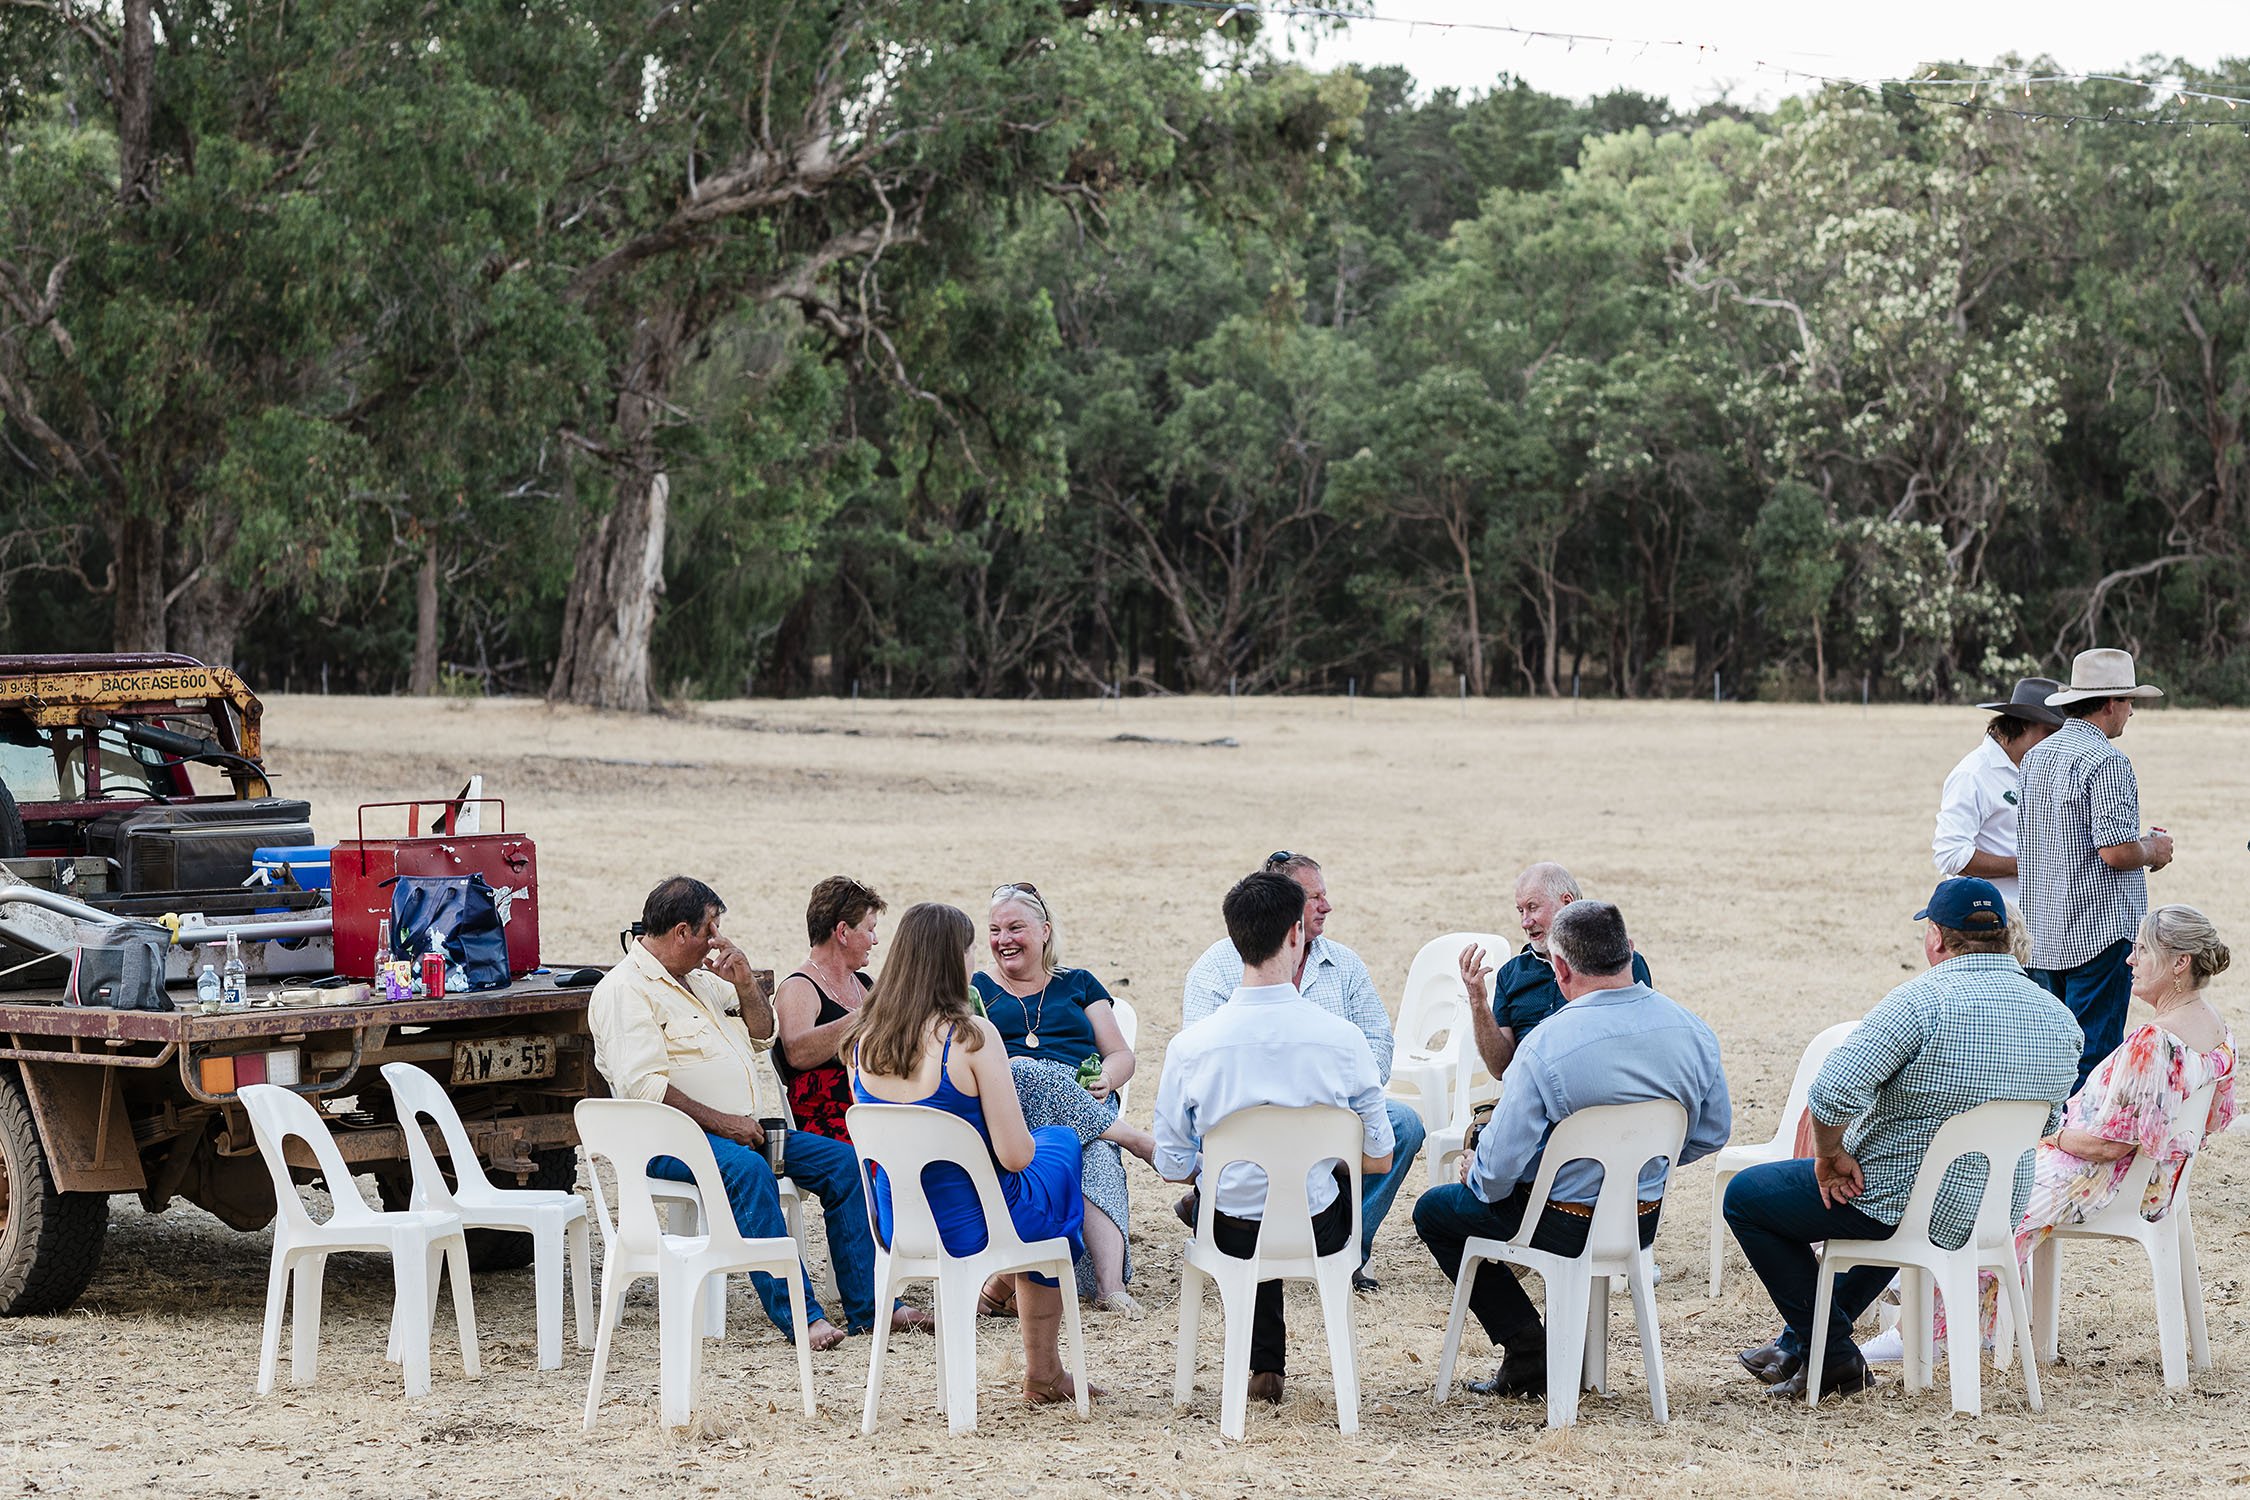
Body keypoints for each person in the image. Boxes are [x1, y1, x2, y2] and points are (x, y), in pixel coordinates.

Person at [1724, 877, 2081, 1400]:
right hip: (1995, 1207)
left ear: (1936, 937)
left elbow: (1829, 1095)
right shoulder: (2058, 1016)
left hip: (1903, 1200)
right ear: (2005, 935)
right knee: (1888, 1202)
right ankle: (1803, 1347)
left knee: (1747, 1198)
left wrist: (1829, 1155)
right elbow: (2047, 1126)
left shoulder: (1919, 1001)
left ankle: (1835, 1355)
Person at [587, 875, 928, 1352]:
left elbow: (763, 1034)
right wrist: (724, 1122)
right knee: (749, 1171)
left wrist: (746, 984)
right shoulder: (624, 990)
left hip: (740, 1132)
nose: (717, 941)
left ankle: (871, 1308)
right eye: (711, 929)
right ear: (682, 932)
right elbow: (647, 1089)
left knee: (842, 1165)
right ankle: (800, 1316)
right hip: (668, 1142)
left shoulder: (701, 981)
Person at [1414, 900, 1729, 1397]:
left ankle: (1526, 1346)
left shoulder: (1545, 1045)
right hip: (1640, 1216)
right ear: (1629, 951)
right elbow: (1713, 1132)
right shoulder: (1694, 1031)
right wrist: (1642, 1162)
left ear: (1559, 968)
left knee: (1434, 1211)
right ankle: (1534, 1352)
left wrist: (1477, 1170)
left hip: (1561, 1220)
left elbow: (1496, 1173)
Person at [1901, 904, 2237, 1357]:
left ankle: (1926, 1332)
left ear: (2180, 963)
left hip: (2104, 1180)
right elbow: (2215, 1118)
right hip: (2156, 1179)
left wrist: (2049, 1137)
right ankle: (1929, 1309)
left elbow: (2107, 1145)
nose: (2130, 960)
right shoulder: (2217, 1028)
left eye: (2141, 950)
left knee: (1978, 1193)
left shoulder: (2154, 1042)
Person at [1154, 870, 1395, 1406]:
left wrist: (1220, 1166)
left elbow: (1171, 1165)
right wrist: (1324, 1162)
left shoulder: (1191, 1047)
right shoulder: (1342, 1040)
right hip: (1322, 1230)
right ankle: (1271, 1364)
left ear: (1234, 940)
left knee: (1238, 1194)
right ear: (1295, 934)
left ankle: (1263, 1363)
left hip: (1230, 1229)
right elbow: (1380, 1157)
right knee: (1293, 1190)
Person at [847, 902, 1093, 1407]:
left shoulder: (862, 1042)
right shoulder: (973, 1039)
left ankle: (1028, 1339)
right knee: (1059, 1150)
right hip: (973, 1226)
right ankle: (1043, 1369)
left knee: (1049, 1169)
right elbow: (1016, 1155)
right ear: (952, 960)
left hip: (900, 1225)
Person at [1181, 852, 1426, 1292]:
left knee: (1404, 1124)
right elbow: (1201, 1067)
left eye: (1326, 895)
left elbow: (1378, 1043)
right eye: (1315, 898)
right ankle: (1231, 1217)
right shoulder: (1215, 969)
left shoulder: (1345, 963)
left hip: (1334, 1113)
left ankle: (1348, 1251)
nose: (1327, 907)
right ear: (1284, 908)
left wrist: (1330, 1092)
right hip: (1248, 1117)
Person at [973, 883, 1154, 1314]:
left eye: (1016, 927)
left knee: (1093, 1149)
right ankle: (1135, 1139)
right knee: (1022, 1070)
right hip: (1010, 1108)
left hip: (1085, 1098)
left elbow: (1120, 1053)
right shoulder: (975, 989)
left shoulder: (1079, 983)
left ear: (1045, 931)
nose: (1004, 939)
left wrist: (1107, 1081)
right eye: (995, 930)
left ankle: (1109, 1286)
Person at [2017, 648, 2174, 1089]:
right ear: (2109, 703)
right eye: (2129, 702)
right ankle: (2083, 1152)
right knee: (2094, 1062)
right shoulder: (2107, 760)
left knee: (2050, 1055)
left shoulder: (2036, 757)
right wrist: (2154, 848)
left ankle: (2045, 1147)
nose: (2130, 713)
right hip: (2097, 933)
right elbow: (2116, 851)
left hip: (2044, 932)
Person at [1463, 862, 1653, 1080]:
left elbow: (1641, 1043)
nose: (1525, 922)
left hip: (1598, 1088)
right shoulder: (1511, 974)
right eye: (1520, 911)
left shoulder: (1616, 963)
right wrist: (1478, 1001)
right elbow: (1500, 1069)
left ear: (1567, 903)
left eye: (1533, 907)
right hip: (1528, 1093)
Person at [1930, 677, 2064, 914]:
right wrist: (2022, 866)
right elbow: (1951, 855)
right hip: (1991, 920)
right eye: (2050, 732)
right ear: (2024, 723)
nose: (2057, 742)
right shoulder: (1973, 774)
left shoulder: (2043, 768)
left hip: (2039, 918)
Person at [774, 876, 885, 1144]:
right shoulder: (799, 987)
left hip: (875, 1108)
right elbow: (797, 1053)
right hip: (827, 1122)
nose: (876, 940)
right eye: (870, 929)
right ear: (843, 932)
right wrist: (865, 1016)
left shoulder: (865, 985)